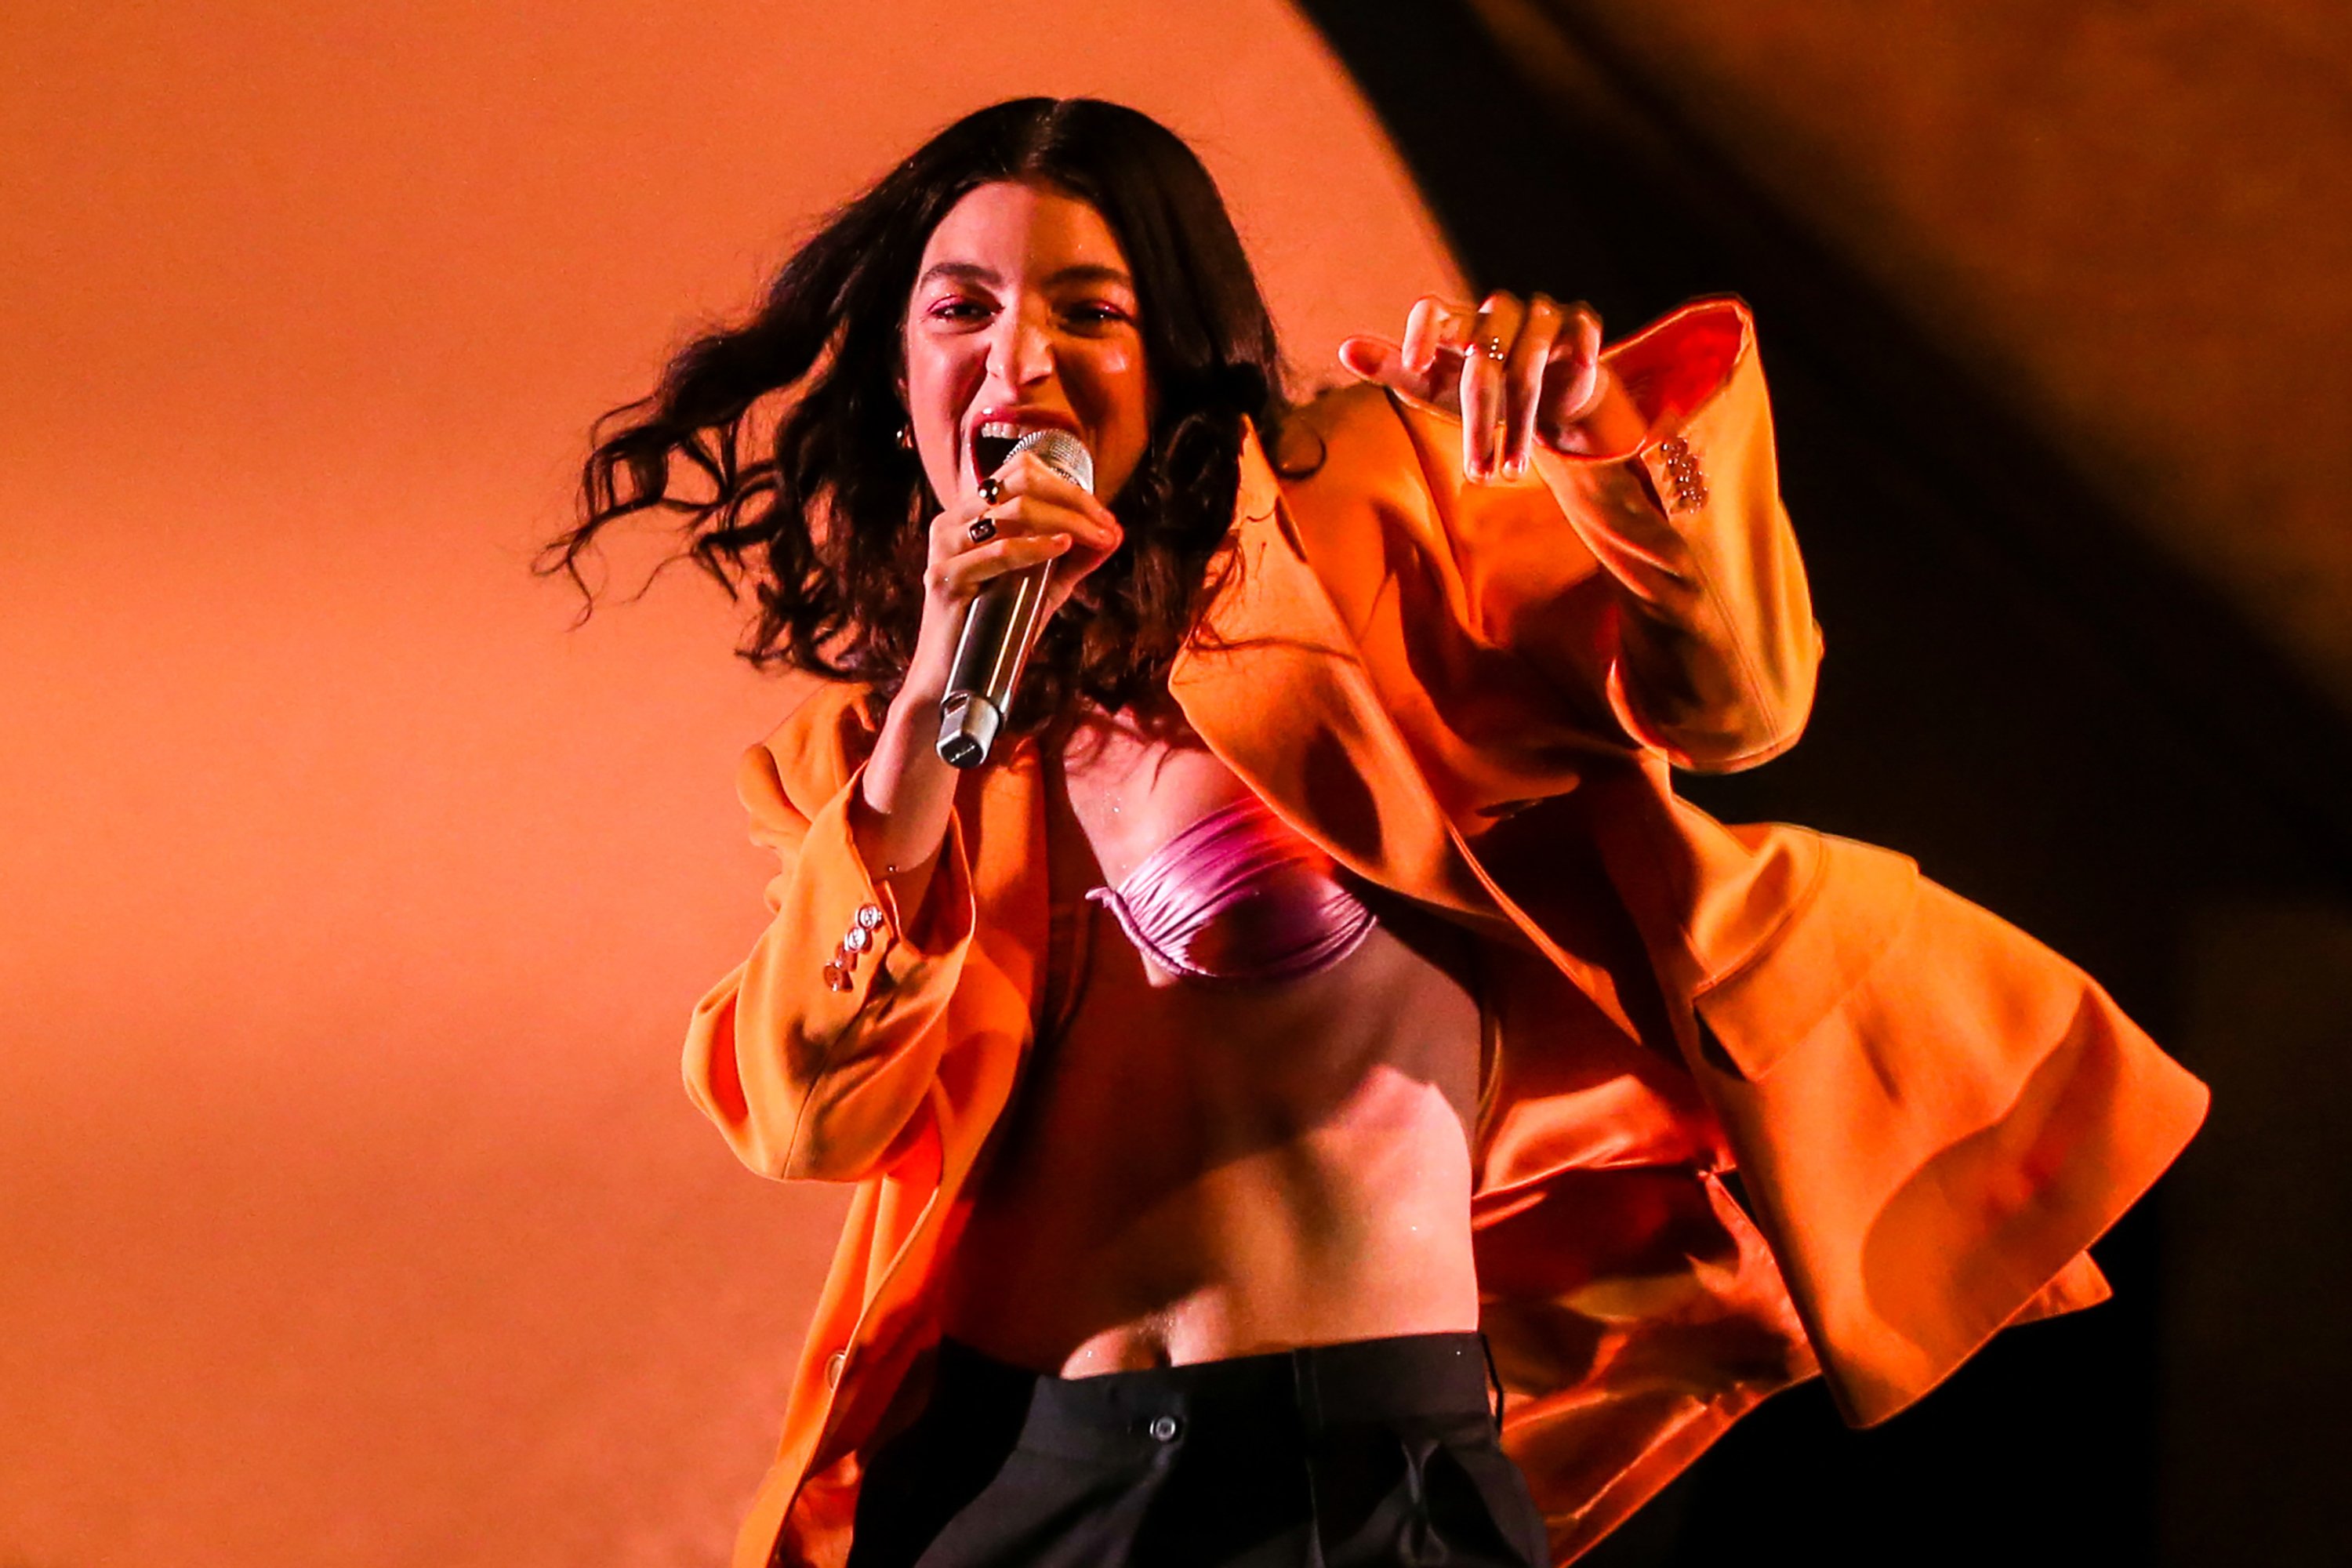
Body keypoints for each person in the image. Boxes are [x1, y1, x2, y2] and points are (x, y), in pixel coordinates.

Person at [546, 97, 2206, 1568]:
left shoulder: (1370, 542)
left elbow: (1739, 703)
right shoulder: (875, 759)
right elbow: (809, 1125)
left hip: (1342, 1475)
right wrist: (922, 712)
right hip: (1006, 1475)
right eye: (960, 309)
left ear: (1177, 353)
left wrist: (1603, 453)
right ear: (908, 379)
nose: (1020, 361)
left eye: (1090, 312)